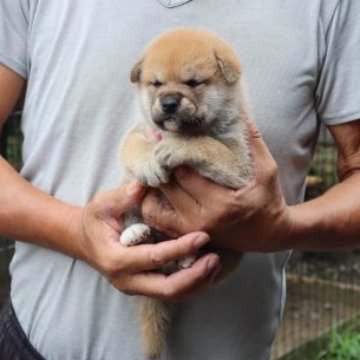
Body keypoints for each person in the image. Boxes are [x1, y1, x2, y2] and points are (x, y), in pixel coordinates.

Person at [0, 0, 359, 359]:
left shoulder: (331, 9)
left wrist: (281, 228)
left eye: (192, 84)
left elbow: (239, 169)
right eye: (155, 85)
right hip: (35, 341)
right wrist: (76, 230)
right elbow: (136, 150)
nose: (169, 99)